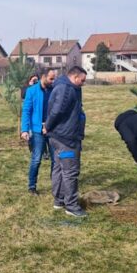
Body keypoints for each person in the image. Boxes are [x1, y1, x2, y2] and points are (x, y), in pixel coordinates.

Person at [43, 66, 87, 217]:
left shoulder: (65, 86)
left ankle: (59, 200)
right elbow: (56, 111)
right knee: (70, 172)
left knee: (59, 168)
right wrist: (47, 126)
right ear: (74, 77)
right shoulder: (67, 90)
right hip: (66, 138)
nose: (83, 83)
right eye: (82, 80)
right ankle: (71, 205)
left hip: (58, 137)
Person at [21, 67, 56, 195]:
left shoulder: (55, 90)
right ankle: (32, 186)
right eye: (51, 78)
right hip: (37, 130)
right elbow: (26, 111)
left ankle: (55, 184)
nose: (53, 81)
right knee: (36, 159)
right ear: (43, 77)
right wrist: (24, 129)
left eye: (54, 78)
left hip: (52, 130)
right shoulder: (31, 91)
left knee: (55, 159)